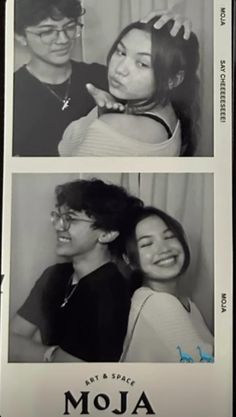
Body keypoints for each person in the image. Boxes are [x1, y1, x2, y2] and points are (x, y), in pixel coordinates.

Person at [13, 0, 191, 156]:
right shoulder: (12, 93)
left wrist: (173, 39)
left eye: (69, 27)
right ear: (20, 37)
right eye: (47, 31)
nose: (63, 39)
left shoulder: (108, 77)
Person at [9, 178, 143, 362]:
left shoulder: (112, 292)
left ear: (107, 234)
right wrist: (51, 355)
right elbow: (7, 341)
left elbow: (72, 369)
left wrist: (37, 351)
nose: (57, 226)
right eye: (58, 216)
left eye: (70, 218)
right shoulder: (55, 275)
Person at [59, 17, 199, 157]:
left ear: (173, 80)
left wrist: (102, 118)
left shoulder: (116, 126)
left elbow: (65, 150)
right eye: (121, 52)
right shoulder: (171, 113)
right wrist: (104, 112)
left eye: (142, 64)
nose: (120, 69)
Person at [120, 206, 214, 362]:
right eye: (147, 244)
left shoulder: (188, 304)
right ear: (129, 259)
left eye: (169, 236)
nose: (164, 249)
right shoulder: (159, 303)